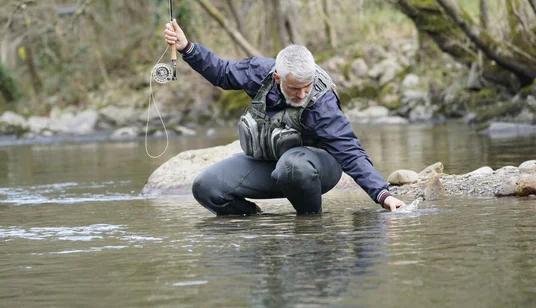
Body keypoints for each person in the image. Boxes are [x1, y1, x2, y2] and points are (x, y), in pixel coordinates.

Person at [164, 19, 405, 215]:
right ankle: (254, 222)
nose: (302, 94)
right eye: (294, 88)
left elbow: (350, 151)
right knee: (206, 186)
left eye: (306, 87)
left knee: (293, 165)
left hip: (317, 168)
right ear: (278, 79)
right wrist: (187, 47)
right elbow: (222, 73)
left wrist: (383, 195)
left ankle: (311, 225)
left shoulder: (322, 102)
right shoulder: (260, 73)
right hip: (269, 164)